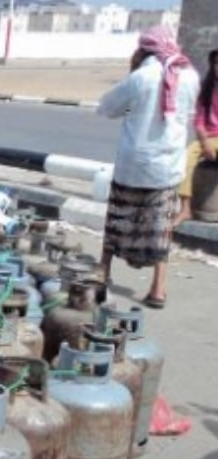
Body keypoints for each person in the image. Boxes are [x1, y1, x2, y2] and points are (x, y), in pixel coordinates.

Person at [96, 26, 200, 309]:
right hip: (167, 167)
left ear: (145, 49)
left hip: (133, 165)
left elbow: (107, 108)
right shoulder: (190, 76)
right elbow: (189, 115)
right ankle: (158, 288)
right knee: (160, 227)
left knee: (117, 219)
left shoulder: (141, 77)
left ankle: (102, 273)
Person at [179, 48, 218, 223]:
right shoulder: (207, 89)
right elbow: (199, 121)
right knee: (186, 158)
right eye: (216, 63)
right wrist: (205, 142)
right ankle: (185, 208)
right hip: (207, 138)